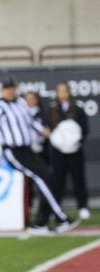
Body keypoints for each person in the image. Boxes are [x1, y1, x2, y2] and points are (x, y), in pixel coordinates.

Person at [0, 78, 78, 235]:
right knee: (40, 178)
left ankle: (41, 223)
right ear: (2, 91)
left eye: (12, 88)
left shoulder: (21, 103)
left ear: (16, 89)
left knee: (49, 177)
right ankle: (60, 217)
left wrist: (43, 130)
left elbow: (29, 121)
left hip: (28, 149)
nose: (10, 91)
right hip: (13, 151)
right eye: (7, 88)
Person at [48, 82, 90, 220]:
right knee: (58, 180)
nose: (63, 93)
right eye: (60, 91)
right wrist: (58, 142)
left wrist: (75, 143)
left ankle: (82, 206)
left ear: (69, 92)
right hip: (58, 152)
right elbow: (49, 130)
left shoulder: (78, 110)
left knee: (79, 179)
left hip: (75, 151)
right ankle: (56, 207)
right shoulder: (52, 111)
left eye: (65, 91)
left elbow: (84, 129)